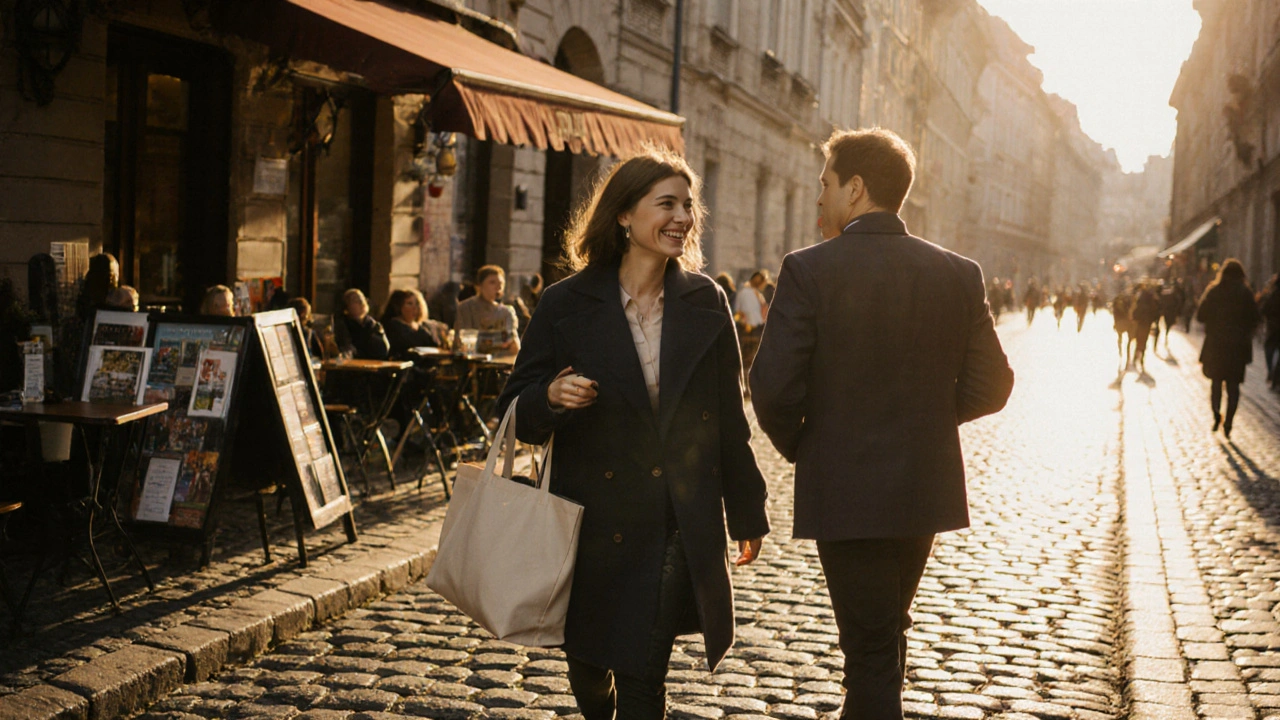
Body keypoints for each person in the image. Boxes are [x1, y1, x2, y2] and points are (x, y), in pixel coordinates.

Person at [750, 127, 1014, 720]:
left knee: (870, 645)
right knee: (885, 628)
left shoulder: (808, 269)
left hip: (846, 487)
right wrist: (924, 420)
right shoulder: (958, 272)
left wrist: (810, 442)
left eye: (825, 184)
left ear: (857, 188)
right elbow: (993, 385)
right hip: (922, 483)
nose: (818, 198)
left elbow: (769, 386)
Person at [497, 148, 769, 720]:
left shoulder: (705, 300)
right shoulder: (565, 303)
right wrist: (549, 397)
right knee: (591, 671)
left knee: (644, 678)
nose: (682, 217)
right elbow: (514, 414)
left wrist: (747, 512)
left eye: (688, 206)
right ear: (623, 214)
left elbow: (728, 420)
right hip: (589, 521)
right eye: (665, 203)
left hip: (673, 519)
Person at [1196, 259, 1261, 438]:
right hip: (1238, 348)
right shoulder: (1246, 293)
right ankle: (1229, 422)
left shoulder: (1214, 291)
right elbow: (1255, 318)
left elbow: (1200, 316)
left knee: (1216, 383)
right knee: (1233, 387)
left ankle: (1217, 414)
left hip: (1216, 346)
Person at [455, 266, 519, 354]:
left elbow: (514, 346)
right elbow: (463, 341)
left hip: (501, 361)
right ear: (479, 286)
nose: (498, 287)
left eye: (501, 283)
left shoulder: (506, 312)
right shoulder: (466, 307)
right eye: (492, 282)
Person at [381, 288, 443, 358]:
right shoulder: (393, 327)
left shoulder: (421, 328)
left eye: (417, 304)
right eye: (409, 303)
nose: (415, 308)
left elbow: (434, 346)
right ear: (398, 306)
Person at [335, 288, 390, 360]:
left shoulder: (372, 324)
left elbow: (383, 350)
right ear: (346, 308)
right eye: (355, 300)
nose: (361, 302)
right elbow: (346, 349)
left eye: (362, 299)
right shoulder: (342, 325)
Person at [733, 271, 768, 370]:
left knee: (746, 357)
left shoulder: (742, 293)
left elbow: (737, 311)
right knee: (756, 357)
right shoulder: (757, 294)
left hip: (746, 328)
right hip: (758, 328)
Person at [1131, 282, 1162, 373]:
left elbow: (1136, 311)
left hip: (1140, 323)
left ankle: (1136, 356)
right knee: (1144, 340)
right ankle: (1141, 357)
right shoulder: (1152, 299)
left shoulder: (1141, 299)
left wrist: (1134, 318)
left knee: (1138, 340)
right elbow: (1156, 312)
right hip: (1147, 324)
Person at [1261, 273, 1280, 391]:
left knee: (1269, 350)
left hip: (1273, 328)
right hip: (1274, 328)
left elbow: (1264, 310)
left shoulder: (1273, 295)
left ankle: (1272, 373)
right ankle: (1275, 376)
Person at [1112, 288, 1136, 370]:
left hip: (1119, 323)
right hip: (1126, 323)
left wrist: (1115, 323)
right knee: (1129, 340)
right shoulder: (1127, 301)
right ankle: (1128, 355)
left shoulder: (1116, 302)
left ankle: (1120, 350)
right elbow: (1130, 312)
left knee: (1120, 337)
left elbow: (1114, 314)